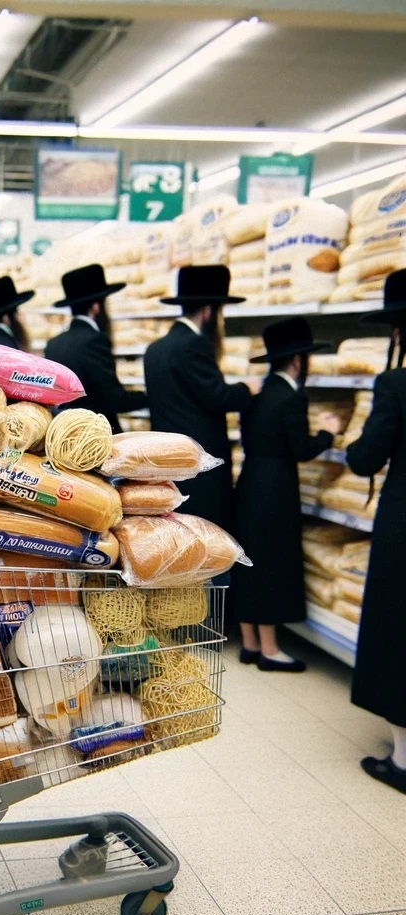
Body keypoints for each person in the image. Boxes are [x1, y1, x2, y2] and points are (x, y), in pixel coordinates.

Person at [233, 317, 341, 671]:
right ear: (298, 360)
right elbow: (300, 449)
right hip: (276, 486)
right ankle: (270, 650)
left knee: (248, 558)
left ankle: (249, 643)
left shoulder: (258, 395)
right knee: (271, 563)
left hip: (250, 480)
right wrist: (328, 433)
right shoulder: (293, 398)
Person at [344, 269, 406, 795]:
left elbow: (366, 457)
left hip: (404, 527)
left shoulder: (396, 383)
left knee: (396, 631)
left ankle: (403, 761)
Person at [143, 264, 262, 530]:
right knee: (208, 540)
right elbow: (217, 397)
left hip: (168, 465)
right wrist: (247, 388)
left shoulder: (156, 349)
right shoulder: (193, 345)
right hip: (200, 468)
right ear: (209, 311)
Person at [43, 263, 147, 432]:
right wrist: (148, 397)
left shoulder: (53, 344)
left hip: (66, 434)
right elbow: (113, 398)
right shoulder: (94, 340)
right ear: (96, 306)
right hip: (97, 437)